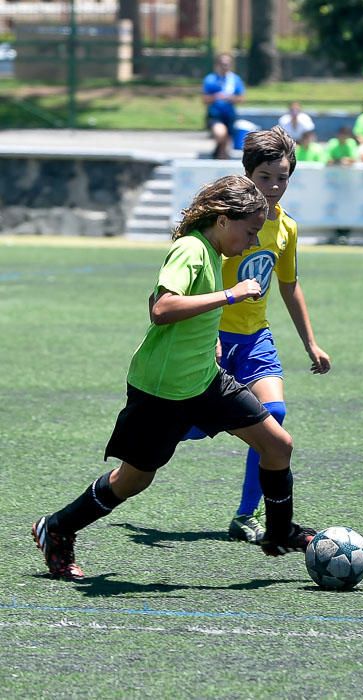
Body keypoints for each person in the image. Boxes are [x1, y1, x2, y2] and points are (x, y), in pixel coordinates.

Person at [31, 175, 317, 580]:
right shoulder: (191, 249)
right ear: (222, 219)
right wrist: (230, 295)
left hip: (204, 380)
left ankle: (278, 531)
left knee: (278, 445)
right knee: (133, 481)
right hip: (162, 391)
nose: (253, 242)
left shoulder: (211, 252)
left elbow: (162, 299)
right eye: (250, 231)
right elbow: (162, 308)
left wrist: (209, 341)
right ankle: (57, 527)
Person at [184, 126, 331, 544]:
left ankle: (247, 515)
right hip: (213, 336)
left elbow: (289, 284)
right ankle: (192, 425)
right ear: (248, 174)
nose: (274, 186)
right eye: (265, 177)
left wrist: (311, 342)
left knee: (275, 416)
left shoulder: (286, 229)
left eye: (282, 177)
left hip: (255, 339)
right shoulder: (225, 220)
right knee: (185, 426)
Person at [202, 53, 246, 160]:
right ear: (217, 65)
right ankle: (219, 154)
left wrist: (230, 98)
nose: (224, 66)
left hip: (229, 115)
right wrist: (216, 96)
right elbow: (205, 99)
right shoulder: (210, 79)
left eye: (227, 64)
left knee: (226, 144)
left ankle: (219, 156)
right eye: (222, 64)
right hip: (215, 115)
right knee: (221, 134)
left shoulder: (235, 79)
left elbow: (241, 98)